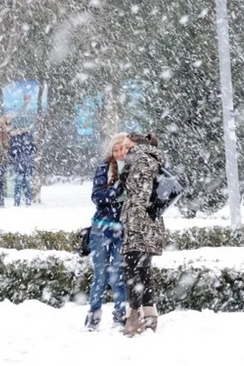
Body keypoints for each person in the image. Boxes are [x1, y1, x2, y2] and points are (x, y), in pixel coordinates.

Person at [120, 132, 167, 337]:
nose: (123, 151)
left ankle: (135, 317)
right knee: (143, 271)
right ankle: (149, 317)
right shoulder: (150, 159)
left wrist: (134, 224)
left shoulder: (140, 161)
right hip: (149, 224)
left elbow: (140, 195)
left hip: (140, 226)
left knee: (132, 272)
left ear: (136, 146)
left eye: (126, 146)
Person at [84, 133, 128, 331]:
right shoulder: (104, 167)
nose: (119, 153)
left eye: (122, 149)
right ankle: (93, 317)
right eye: (115, 150)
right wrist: (115, 190)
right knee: (100, 275)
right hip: (101, 228)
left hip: (123, 230)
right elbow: (96, 196)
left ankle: (120, 317)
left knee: (118, 275)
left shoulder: (133, 169)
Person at [9, 127, 36, 207]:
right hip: (22, 165)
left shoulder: (18, 140)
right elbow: (33, 150)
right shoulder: (21, 140)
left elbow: (12, 153)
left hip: (22, 165)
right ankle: (23, 200)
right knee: (21, 183)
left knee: (22, 184)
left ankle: (22, 200)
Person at [0, 116, 12, 208]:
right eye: (7, 123)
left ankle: (1, 202)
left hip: (3, 160)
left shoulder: (5, 132)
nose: (8, 126)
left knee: (1, 182)